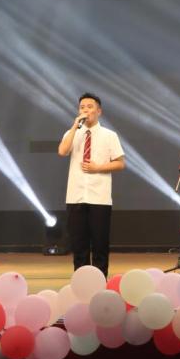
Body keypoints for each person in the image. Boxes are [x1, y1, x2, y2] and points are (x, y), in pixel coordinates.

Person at [57, 93, 125, 277]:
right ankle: (82, 282)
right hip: (75, 196)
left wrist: (98, 168)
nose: (85, 110)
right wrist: (74, 126)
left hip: (99, 197)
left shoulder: (109, 135)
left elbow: (120, 163)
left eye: (89, 106)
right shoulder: (72, 133)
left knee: (100, 245)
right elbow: (62, 151)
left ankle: (100, 282)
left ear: (99, 111)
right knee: (79, 246)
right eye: (82, 107)